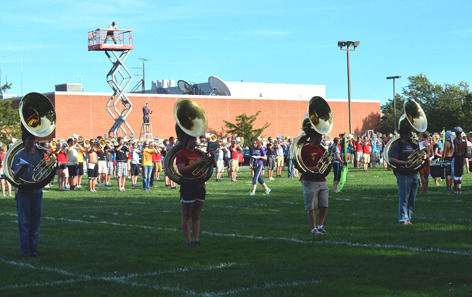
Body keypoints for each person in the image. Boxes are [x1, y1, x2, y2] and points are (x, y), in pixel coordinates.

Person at [175, 135, 215, 246]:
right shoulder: (182, 153)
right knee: (187, 215)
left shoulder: (200, 153)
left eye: (194, 139)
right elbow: (182, 170)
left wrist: (212, 157)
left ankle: (196, 240)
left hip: (200, 186)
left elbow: (213, 165)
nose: (194, 141)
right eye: (191, 139)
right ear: (186, 141)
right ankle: (188, 241)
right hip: (188, 186)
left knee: (196, 215)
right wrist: (196, 163)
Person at [11, 129, 45, 257]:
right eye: (30, 139)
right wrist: (21, 167)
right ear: (24, 140)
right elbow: (14, 176)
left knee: (35, 222)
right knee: (24, 223)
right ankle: (26, 251)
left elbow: (44, 170)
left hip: (37, 192)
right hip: (24, 192)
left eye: (34, 139)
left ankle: (34, 249)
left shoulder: (40, 153)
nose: (33, 142)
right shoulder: (19, 155)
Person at [300, 130, 329, 235]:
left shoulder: (322, 149)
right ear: (313, 137)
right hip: (309, 180)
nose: (321, 138)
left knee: (324, 205)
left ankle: (320, 226)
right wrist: (312, 168)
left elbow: (326, 164)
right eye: (319, 136)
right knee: (311, 206)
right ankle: (313, 229)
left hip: (322, 180)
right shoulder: (304, 149)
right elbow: (299, 166)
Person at [389, 125, 419, 225]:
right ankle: (403, 219)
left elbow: (420, 155)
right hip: (403, 174)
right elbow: (391, 159)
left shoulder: (414, 145)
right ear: (404, 135)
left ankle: (408, 219)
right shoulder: (398, 146)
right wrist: (405, 162)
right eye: (409, 133)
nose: (411, 135)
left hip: (414, 173)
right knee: (404, 199)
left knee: (412, 199)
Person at [451, 127, 467, 195]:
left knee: (455, 175)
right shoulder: (464, 139)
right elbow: (466, 150)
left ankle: (455, 190)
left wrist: (451, 157)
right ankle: (459, 190)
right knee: (460, 175)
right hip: (462, 157)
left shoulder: (455, 140)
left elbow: (456, 151)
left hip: (457, 157)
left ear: (456, 133)